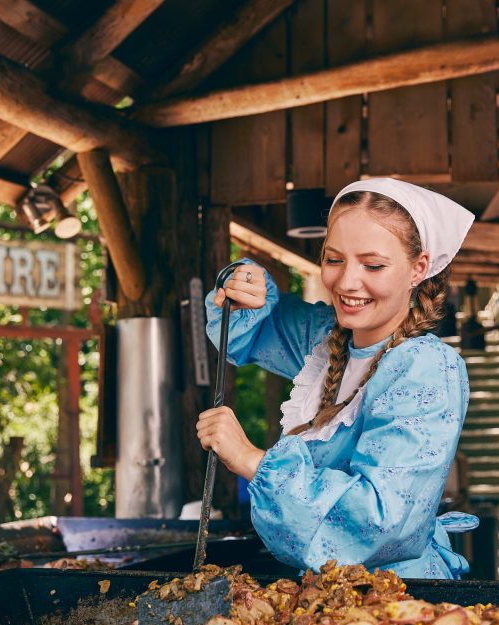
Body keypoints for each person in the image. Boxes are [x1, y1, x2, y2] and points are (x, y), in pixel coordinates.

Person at [196, 178, 479, 579]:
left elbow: (382, 522)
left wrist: (250, 460)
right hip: (326, 593)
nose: (346, 282)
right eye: (333, 260)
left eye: (373, 265)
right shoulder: (325, 338)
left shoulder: (426, 368)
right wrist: (243, 280)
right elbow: (252, 328)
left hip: (395, 602)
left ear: (418, 268)